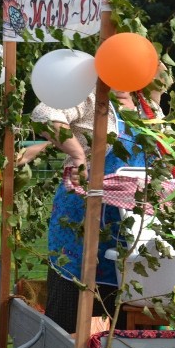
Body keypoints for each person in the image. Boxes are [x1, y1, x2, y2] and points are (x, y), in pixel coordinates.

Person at [31, 89, 146, 333]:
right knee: (70, 307)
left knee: (123, 316)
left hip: (130, 225)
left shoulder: (148, 107)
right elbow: (44, 115)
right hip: (82, 218)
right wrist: (78, 155)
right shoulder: (92, 95)